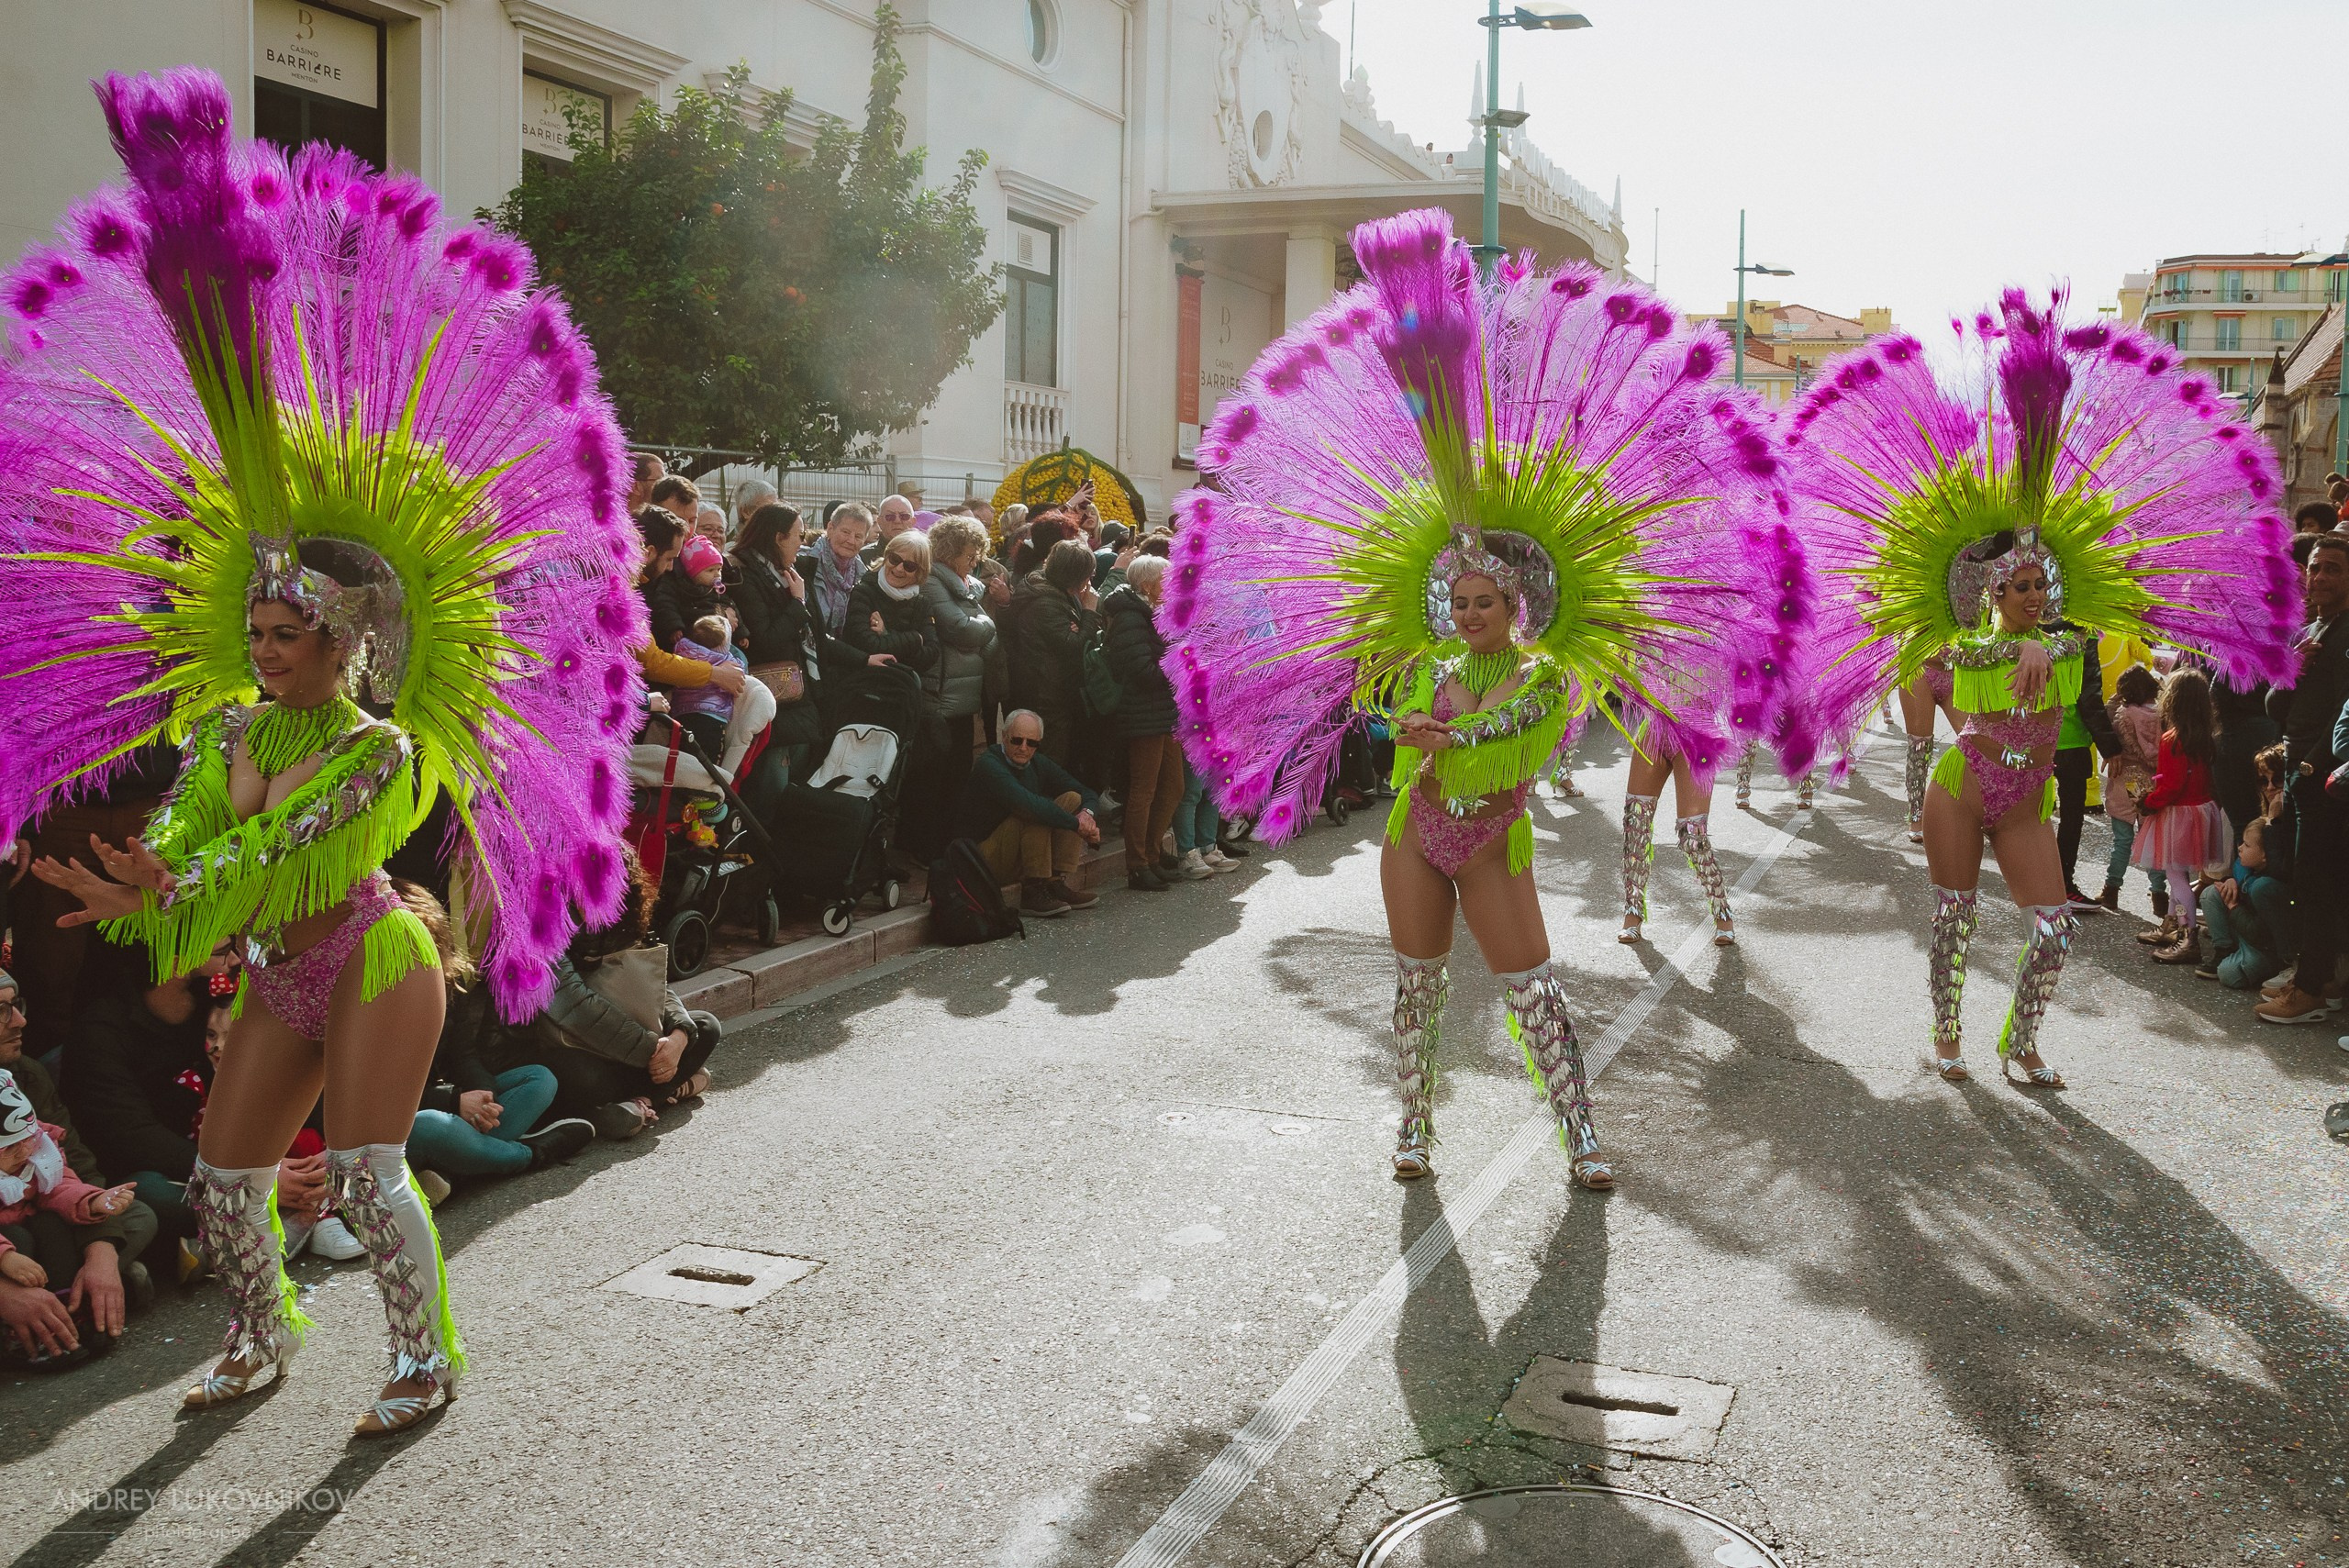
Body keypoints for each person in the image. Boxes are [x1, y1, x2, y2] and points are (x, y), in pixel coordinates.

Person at [6, 72, 644, 1434]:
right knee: (228, 1183)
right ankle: (259, 1335)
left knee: (362, 1171)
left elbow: (274, 847)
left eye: (287, 624)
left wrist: (168, 894)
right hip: (280, 977)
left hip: (373, 958)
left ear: (346, 637)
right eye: (254, 620)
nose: (264, 641)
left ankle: (421, 1359)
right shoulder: (233, 722)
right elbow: (193, 824)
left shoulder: (371, 749)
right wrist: (145, 876)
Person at [1163, 209, 1805, 1192]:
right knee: (1417, 991)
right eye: (1456, 601)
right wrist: (1392, 723)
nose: (1466, 614)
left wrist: (1441, 725)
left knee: (1532, 989)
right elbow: (1380, 713)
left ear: (1518, 602)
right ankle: (1413, 1128)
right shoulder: (1422, 661)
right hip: (1416, 832)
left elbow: (1515, 726)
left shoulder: (1546, 671)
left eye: (1483, 602)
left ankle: (1580, 1134)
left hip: (1494, 835)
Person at [1785, 288, 2296, 1090]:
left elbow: (2080, 688)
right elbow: (1960, 660)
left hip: (2025, 802)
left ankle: (2019, 1043)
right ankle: (1947, 1030)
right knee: (1953, 921)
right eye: (2017, 585)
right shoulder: (1974, 638)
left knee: (2053, 931)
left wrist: (2115, 755)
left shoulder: (2066, 641)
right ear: (1993, 592)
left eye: (2039, 585)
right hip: (1961, 788)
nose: (2031, 594)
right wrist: (2011, 640)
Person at [500, 850, 721, 1135]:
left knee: (705, 1025)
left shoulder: (623, 916)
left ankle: (638, 1102)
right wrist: (655, 1051)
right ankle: (671, 1086)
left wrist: (679, 1037)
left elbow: (651, 986)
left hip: (629, 1046)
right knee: (579, 1077)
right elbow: (575, 1007)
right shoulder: (543, 922)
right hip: (573, 1045)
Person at [0, 970, 156, 1368]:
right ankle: (46, 1317)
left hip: (37, 1217)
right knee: (21, 1236)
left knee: (135, 1214)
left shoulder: (26, 1075)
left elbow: (72, 1166)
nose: (20, 1021)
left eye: (16, 1006)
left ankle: (69, 1305)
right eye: (1, 1011)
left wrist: (101, 1248)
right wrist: (5, 1292)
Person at [406, 886, 594, 1184]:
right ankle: (529, 1154)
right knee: (431, 1125)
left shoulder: (448, 986)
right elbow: (381, 1099)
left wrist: (484, 1098)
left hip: (453, 1104)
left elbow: (464, 1056)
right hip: (405, 1124)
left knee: (539, 1079)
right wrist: (454, 1103)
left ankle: (459, 1167)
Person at [2255, 532, 2349, 1025]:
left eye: (2332, 568)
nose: (2320, 578)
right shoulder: (2311, 628)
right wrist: (2291, 670)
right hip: (2297, 771)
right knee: (2308, 876)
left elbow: (2343, 711)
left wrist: (2313, 766)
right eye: (2315, 568)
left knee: (2317, 879)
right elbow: (2275, 705)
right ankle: (2318, 975)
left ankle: (2312, 988)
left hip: (2326, 777)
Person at [728, 502, 836, 792]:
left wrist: (864, 659)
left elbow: (817, 637)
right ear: (778, 537)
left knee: (792, 777)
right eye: (798, 536)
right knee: (772, 783)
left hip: (797, 696)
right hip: (774, 695)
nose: (802, 545)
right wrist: (797, 603)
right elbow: (766, 640)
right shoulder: (744, 574)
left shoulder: (786, 573)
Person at [959, 710, 1103, 917]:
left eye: (1031, 743)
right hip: (983, 856)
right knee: (1034, 811)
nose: (1023, 748)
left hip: (1013, 849)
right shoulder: (989, 764)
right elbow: (1027, 803)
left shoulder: (1037, 763)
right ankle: (1033, 889)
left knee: (1073, 799)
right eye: (1017, 740)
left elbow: (1085, 791)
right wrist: (1077, 825)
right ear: (1004, 737)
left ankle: (1053, 882)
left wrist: (1087, 816)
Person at [2132, 667, 2230, 964]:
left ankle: (2188, 938)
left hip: (2179, 814)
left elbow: (2172, 786)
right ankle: (2172, 925)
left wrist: (2148, 801)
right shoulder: (2210, 736)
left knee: (2176, 876)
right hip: (2202, 811)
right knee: (2181, 874)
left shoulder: (2173, 739)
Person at [1101, 557, 1185, 890]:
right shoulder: (1130, 617)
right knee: (1144, 791)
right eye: (1165, 579)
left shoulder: (1152, 613)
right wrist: (1179, 661)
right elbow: (1142, 672)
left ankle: (1151, 853)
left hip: (1163, 713)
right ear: (1148, 585)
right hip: (1143, 714)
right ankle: (1137, 863)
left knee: (1173, 787)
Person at [918, 518, 999, 854]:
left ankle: (948, 842)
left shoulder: (964, 583)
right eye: (969, 553)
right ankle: (931, 846)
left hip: (962, 693)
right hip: (942, 694)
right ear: (950, 552)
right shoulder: (934, 581)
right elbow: (959, 628)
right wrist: (990, 624)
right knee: (938, 777)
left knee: (957, 773)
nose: (975, 560)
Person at [1007, 539, 1100, 770]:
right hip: (1047, 694)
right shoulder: (1045, 601)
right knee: (1050, 761)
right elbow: (1075, 645)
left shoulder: (1050, 590)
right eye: (1089, 574)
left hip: (1049, 689)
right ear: (1075, 576)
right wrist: (1089, 612)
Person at [2197, 817, 2293, 988]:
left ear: (2265, 855)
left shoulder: (2269, 886)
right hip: (2245, 929)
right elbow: (2239, 870)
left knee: (2230, 974)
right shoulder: (2249, 868)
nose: (2240, 848)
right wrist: (2230, 880)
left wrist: (2233, 907)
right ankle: (2224, 949)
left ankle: (2277, 967)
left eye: (2247, 845)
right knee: (2211, 893)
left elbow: (2258, 933)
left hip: (2263, 945)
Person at [2099, 663, 2163, 914]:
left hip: (2124, 780)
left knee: (2122, 841)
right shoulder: (2161, 716)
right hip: (2151, 783)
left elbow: (2106, 714)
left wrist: (2116, 696)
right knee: (2153, 843)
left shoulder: (2123, 716)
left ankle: (2111, 890)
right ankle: (2159, 896)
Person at [801, 502, 873, 639]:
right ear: (830, 528)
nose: (851, 541)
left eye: (858, 536)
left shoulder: (863, 576)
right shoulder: (805, 565)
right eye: (845, 532)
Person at [862, 493, 918, 564]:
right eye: (890, 517)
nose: (897, 521)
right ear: (880, 522)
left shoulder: (922, 554)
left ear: (913, 521)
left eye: (904, 516)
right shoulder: (863, 557)